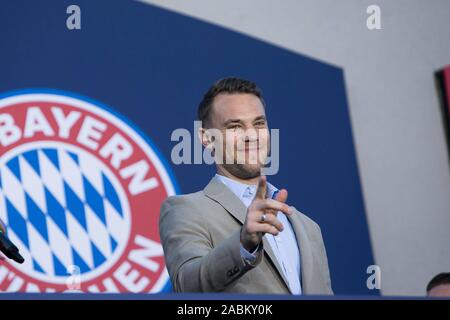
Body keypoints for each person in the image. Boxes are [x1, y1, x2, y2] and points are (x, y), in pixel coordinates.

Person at [159, 77, 333, 294]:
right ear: (206, 138)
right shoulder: (185, 210)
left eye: (259, 123)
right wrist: (243, 244)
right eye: (235, 126)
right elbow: (188, 285)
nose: (251, 136)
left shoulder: (309, 228)